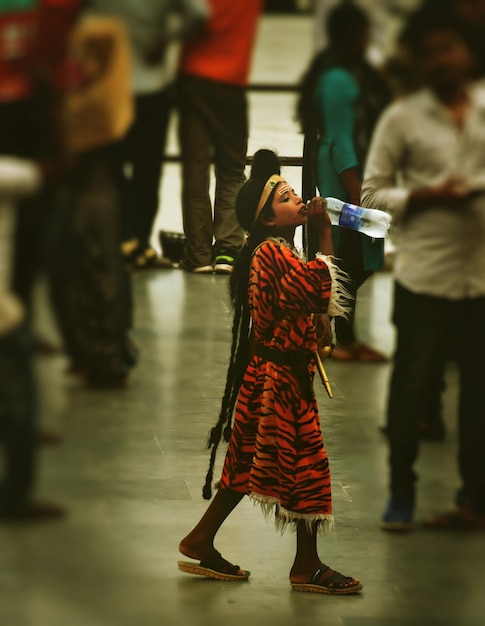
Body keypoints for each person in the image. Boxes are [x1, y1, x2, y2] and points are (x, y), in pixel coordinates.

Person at [177, 149, 362, 595]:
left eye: (293, 192)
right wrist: (325, 233)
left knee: (244, 467)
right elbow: (318, 288)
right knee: (308, 467)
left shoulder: (273, 250)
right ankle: (307, 565)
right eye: (285, 197)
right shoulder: (271, 255)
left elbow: (304, 310)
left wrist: (315, 333)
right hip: (280, 384)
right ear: (267, 220)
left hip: (268, 377)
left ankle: (201, 539)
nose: (297, 199)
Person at [361, 9, 485, 530]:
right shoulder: (402, 118)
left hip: (480, 280)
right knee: (410, 390)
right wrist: (425, 197)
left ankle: (473, 500)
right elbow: (367, 200)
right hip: (424, 280)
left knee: (478, 398)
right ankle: (401, 494)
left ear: (468, 52)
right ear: (417, 60)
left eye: (449, 48)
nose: (441, 59)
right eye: (429, 51)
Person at [297, 1, 392, 362]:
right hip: (346, 176)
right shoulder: (337, 79)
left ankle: (340, 336)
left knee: (360, 257)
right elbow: (339, 138)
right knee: (353, 258)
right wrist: (357, 193)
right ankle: (340, 339)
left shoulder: (346, 74)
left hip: (353, 174)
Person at [86, 0, 208, 271]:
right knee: (148, 171)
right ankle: (139, 244)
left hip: (110, 85)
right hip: (153, 86)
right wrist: (165, 40)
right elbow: (199, 16)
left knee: (113, 167)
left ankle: (123, 241)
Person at [176, 0, 263, 274]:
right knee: (232, 171)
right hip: (231, 87)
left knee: (195, 172)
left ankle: (199, 256)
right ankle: (227, 251)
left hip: (193, 83)